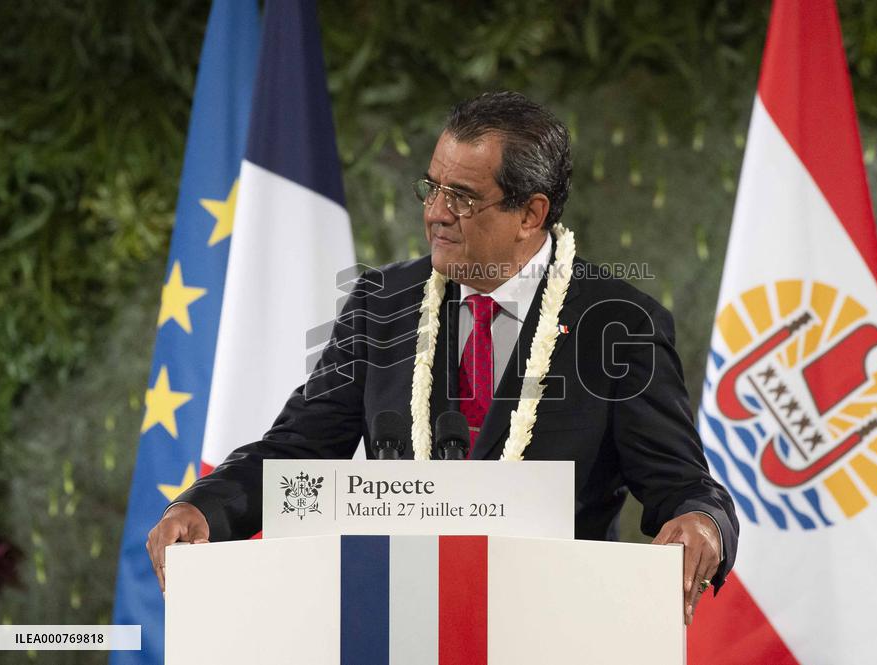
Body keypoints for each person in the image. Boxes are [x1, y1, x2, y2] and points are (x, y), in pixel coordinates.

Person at [147, 91, 738, 625]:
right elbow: (298, 450)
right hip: (395, 624)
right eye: (432, 187)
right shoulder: (382, 301)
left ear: (530, 214)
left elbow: (684, 488)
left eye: (462, 197)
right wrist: (203, 507)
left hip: (555, 627)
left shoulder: (619, 325)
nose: (435, 212)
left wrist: (702, 525)